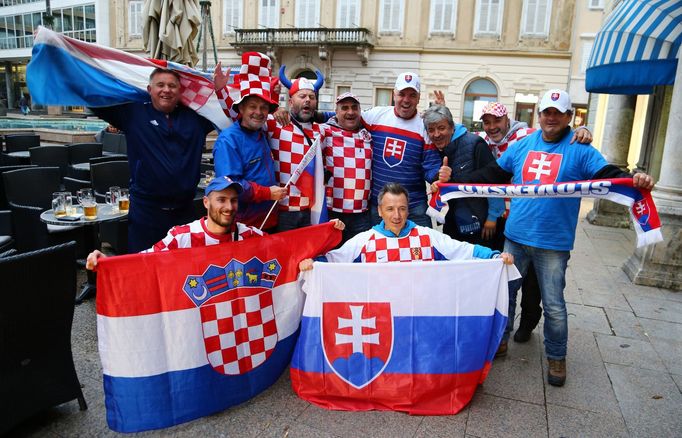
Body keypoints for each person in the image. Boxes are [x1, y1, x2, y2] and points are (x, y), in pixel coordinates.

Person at [456, 89, 655, 387]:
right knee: (505, 295)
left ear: (568, 117)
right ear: (539, 115)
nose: (551, 117)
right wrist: (455, 184)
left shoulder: (581, 148)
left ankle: (557, 358)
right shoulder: (523, 145)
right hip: (516, 237)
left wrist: (635, 181)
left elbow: (607, 175)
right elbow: (493, 173)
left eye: (558, 113)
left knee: (554, 305)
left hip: (553, 243)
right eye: (546, 112)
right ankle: (501, 341)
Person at [91, 68, 216, 253]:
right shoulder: (133, 113)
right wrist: (62, 51)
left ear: (180, 91)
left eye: (172, 86)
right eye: (161, 85)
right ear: (150, 90)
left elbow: (226, 111)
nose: (167, 89)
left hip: (185, 210)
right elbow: (94, 98)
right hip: (146, 213)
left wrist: (219, 90)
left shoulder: (195, 118)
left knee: (183, 270)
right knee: (144, 269)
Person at [299, 183, 513, 269]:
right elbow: (334, 260)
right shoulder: (364, 240)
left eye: (402, 208)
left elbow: (463, 250)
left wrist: (494, 256)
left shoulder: (427, 236)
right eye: (390, 209)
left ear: (408, 209)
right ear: (380, 211)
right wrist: (313, 263)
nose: (397, 215)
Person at [361, 73, 448, 228]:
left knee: (422, 249)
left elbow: (430, 168)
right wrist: (315, 117)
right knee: (380, 250)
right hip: (380, 205)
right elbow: (346, 118)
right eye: (401, 94)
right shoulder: (376, 115)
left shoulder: (424, 127)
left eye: (412, 95)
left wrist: (438, 176)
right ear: (394, 94)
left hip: (414, 206)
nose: (406, 100)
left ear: (419, 98)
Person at [212, 52, 287, 231]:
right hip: (242, 227)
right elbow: (231, 185)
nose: (258, 112)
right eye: (252, 106)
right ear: (242, 108)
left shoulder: (262, 133)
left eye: (263, 107)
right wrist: (268, 193)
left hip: (268, 222)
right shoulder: (228, 140)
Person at [423, 104, 505, 250]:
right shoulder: (436, 148)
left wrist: (492, 217)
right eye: (431, 130)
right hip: (454, 222)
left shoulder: (475, 144)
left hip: (482, 222)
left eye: (441, 128)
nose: (436, 134)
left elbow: (493, 180)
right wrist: (438, 184)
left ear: (452, 127)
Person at [319, 92, 373, 243]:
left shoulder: (368, 134)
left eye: (354, 107)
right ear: (336, 112)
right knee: (332, 256)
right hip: (333, 212)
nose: (350, 112)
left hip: (361, 213)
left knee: (359, 258)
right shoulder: (325, 131)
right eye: (345, 108)